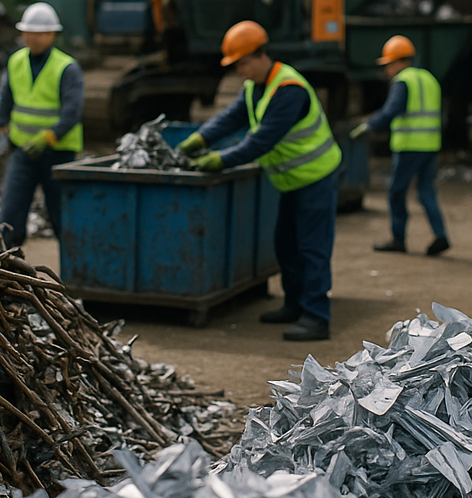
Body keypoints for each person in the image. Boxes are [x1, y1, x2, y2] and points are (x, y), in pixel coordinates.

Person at [177, 20, 342, 341]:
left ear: (260, 54)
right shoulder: (255, 87)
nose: (239, 71)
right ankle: (294, 304)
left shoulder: (288, 90)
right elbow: (231, 118)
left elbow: (261, 141)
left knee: (312, 248)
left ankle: (317, 317)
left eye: (242, 63)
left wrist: (219, 160)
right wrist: (198, 139)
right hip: (291, 181)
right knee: (286, 245)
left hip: (316, 177)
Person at [0, 2, 84, 248]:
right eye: (25, 31)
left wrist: (50, 136)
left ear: (50, 34)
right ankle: (7, 272)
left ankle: (73, 274)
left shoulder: (67, 68)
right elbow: (7, 97)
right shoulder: (16, 61)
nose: (28, 37)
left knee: (62, 217)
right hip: (23, 152)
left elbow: (73, 111)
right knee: (10, 216)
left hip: (58, 155)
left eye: (34, 32)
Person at [350, 35, 449, 256]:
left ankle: (398, 239)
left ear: (398, 62)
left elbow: (390, 111)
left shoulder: (403, 81)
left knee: (396, 192)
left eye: (387, 65)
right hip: (431, 145)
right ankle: (440, 235)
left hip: (409, 146)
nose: (386, 71)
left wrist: (368, 125)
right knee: (426, 191)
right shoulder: (430, 78)